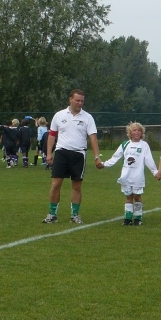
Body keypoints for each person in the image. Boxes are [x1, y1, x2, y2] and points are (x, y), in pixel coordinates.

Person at [42, 89, 103, 224]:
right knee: (55, 184)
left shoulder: (87, 117)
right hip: (61, 152)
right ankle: (52, 214)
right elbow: (52, 135)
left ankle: (74, 215)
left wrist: (96, 157)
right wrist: (49, 153)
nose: (80, 103)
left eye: (82, 101)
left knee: (76, 186)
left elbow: (93, 138)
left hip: (79, 154)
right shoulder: (59, 115)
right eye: (77, 100)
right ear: (70, 99)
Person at [103, 122, 161, 226]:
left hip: (138, 176)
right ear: (130, 132)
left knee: (137, 196)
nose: (137, 132)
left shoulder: (144, 145)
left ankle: (138, 218)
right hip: (126, 176)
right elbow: (115, 157)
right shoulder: (125, 144)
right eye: (134, 130)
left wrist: (155, 172)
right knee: (128, 196)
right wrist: (104, 164)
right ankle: (128, 218)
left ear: (142, 133)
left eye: (139, 130)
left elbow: (149, 160)